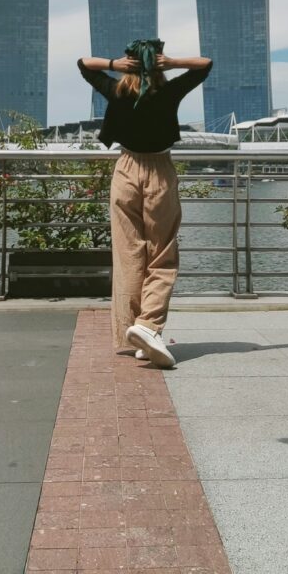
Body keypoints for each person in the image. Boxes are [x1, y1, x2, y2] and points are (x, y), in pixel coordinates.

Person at [77, 39, 212, 368]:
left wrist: (113, 64)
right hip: (159, 172)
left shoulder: (116, 90)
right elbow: (206, 64)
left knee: (129, 254)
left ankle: (134, 331)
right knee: (162, 254)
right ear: (159, 64)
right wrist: (172, 62)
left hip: (125, 171)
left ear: (129, 63)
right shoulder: (168, 92)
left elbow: (83, 63)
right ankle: (148, 326)